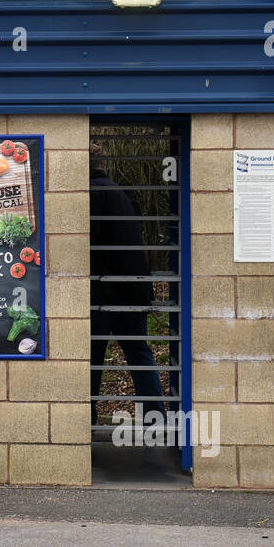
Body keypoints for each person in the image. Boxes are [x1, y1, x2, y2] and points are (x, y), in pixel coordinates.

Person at [88, 144, 166, 426]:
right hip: (132, 290)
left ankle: (88, 420)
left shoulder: (93, 195)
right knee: (140, 354)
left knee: (93, 358)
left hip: (105, 293)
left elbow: (90, 244)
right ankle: (155, 419)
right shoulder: (122, 194)